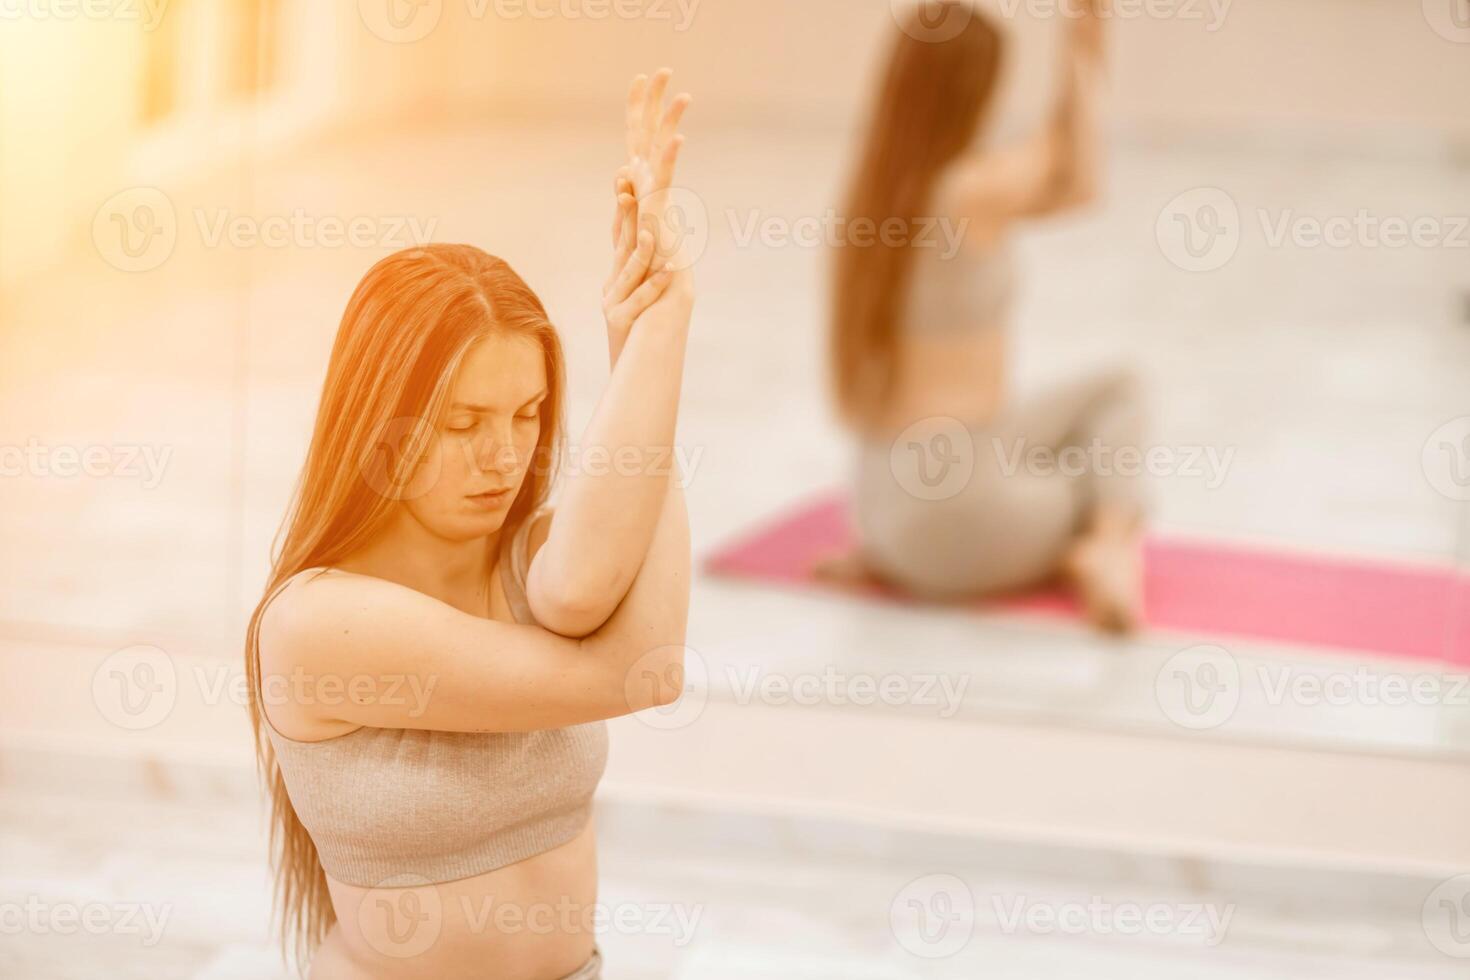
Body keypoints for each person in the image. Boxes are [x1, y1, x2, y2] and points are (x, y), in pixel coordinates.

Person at [243, 70, 695, 979]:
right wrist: (663, 333)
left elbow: (581, 584)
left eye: (527, 416)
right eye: (462, 424)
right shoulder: (319, 622)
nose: (506, 456)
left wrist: (649, 330)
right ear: (379, 422)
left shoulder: (532, 563)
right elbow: (642, 671)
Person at [823, 0, 1148, 632]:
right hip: (957, 524)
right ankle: (1108, 551)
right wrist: (1084, 40)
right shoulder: (972, 190)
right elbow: (1082, 181)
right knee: (1104, 467)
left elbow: (1061, 180)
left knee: (1104, 402)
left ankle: (905, 553)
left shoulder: (876, 191)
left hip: (883, 512)